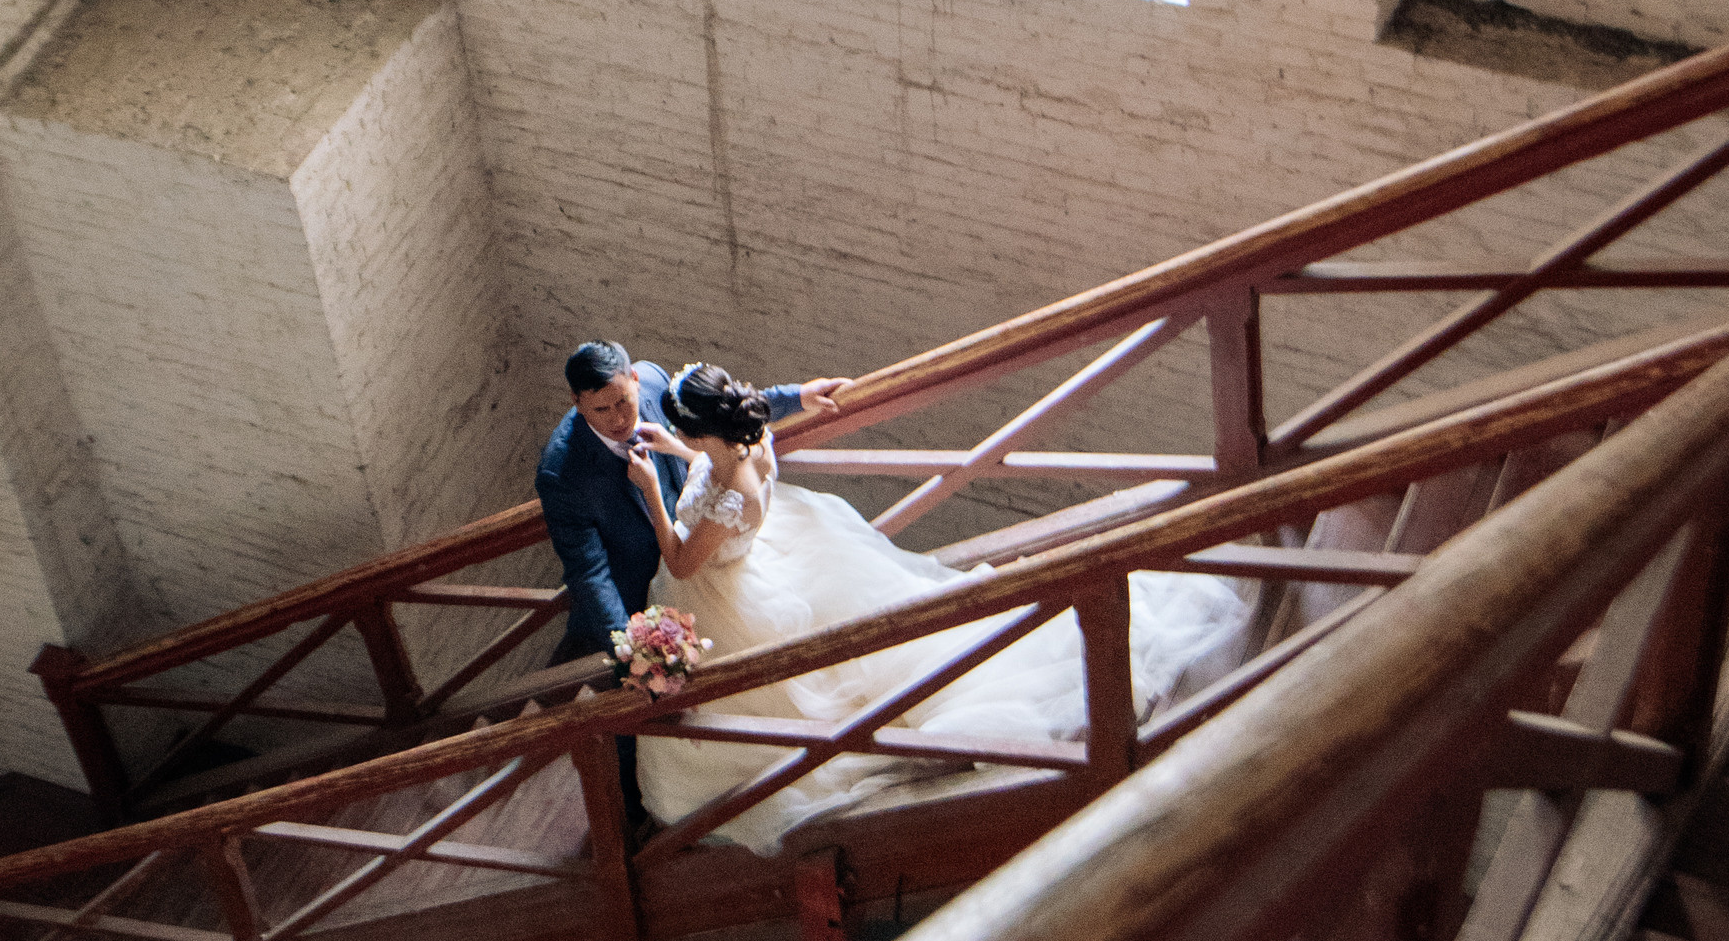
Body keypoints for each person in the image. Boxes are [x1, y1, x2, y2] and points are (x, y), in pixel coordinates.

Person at [622, 359, 1251, 854]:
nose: (678, 437)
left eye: (684, 432)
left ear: (707, 431)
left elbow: (681, 561)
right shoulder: (749, 443)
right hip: (782, 554)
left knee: (797, 696)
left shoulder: (733, 494)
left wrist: (653, 491)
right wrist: (686, 452)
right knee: (865, 650)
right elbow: (723, 461)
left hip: (735, 590)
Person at [536, 338, 850, 822]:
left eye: (625, 400)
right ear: (577, 403)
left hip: (706, 573)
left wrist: (798, 397)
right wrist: (632, 654)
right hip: (643, 594)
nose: (620, 417)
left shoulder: (661, 383)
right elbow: (589, 572)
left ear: (636, 379)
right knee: (636, 727)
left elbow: (723, 412)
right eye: (602, 409)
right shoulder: (562, 472)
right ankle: (631, 820)